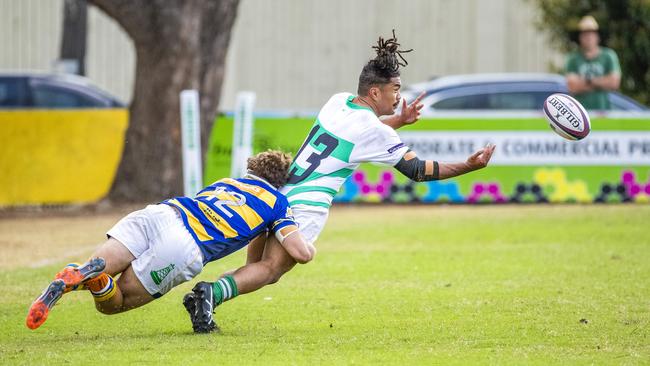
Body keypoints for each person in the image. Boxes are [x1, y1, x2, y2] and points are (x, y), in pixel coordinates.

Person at [184, 30, 496, 332]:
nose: (399, 97)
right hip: (303, 206)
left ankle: (206, 299)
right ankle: (209, 293)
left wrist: (398, 120)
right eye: (395, 90)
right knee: (270, 270)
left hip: (274, 194)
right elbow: (418, 170)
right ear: (375, 92)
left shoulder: (339, 102)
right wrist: (469, 166)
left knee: (257, 267)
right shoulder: (376, 132)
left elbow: (358, 131)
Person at [26, 150, 315, 333]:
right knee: (115, 304)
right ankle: (98, 280)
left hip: (160, 213)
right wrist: (305, 241)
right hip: (186, 244)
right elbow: (298, 252)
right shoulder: (278, 201)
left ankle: (80, 273)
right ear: (279, 181)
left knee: (102, 264)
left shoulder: (227, 183)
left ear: (252, 169)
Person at [565, 15, 621, 110]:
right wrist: (602, 83)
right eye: (585, 34)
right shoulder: (573, 59)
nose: (589, 37)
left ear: (597, 36)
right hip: (580, 113)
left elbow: (614, 82)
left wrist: (587, 81)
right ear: (580, 37)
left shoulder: (608, 56)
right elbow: (572, 86)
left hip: (604, 112)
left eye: (592, 33)